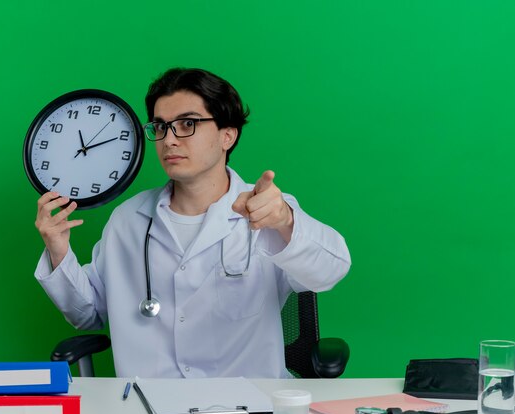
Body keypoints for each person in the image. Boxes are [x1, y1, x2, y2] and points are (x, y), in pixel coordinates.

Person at [34, 67, 351, 378]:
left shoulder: (267, 209)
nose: (169, 140)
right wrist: (58, 250)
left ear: (227, 135)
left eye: (187, 123)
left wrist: (285, 221)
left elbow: (331, 271)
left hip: (246, 411)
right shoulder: (128, 220)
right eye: (160, 127)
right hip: (147, 409)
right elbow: (87, 314)